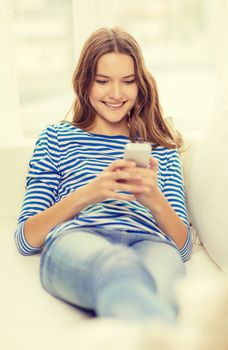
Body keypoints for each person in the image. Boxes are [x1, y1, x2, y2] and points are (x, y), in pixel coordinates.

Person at [14, 27, 192, 323]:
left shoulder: (161, 146)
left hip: (151, 243)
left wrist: (152, 198)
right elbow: (26, 238)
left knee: (160, 291)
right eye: (103, 81)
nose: (116, 94)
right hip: (79, 238)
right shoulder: (56, 138)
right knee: (118, 265)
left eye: (128, 81)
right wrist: (89, 193)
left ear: (140, 86)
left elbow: (183, 248)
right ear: (84, 83)